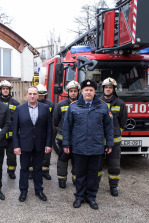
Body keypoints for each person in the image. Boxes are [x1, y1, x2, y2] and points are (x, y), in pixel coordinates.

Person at [63, 79, 113, 210]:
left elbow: (108, 127)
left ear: (95, 92)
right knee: (79, 174)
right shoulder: (73, 107)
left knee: (93, 174)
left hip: (96, 148)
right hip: (79, 147)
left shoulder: (103, 107)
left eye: (91, 90)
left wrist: (110, 144)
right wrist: (66, 144)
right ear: (82, 91)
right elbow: (67, 128)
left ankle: (91, 197)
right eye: (86, 90)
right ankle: (79, 197)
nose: (88, 92)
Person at [13, 86, 53, 202]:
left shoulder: (45, 108)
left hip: (40, 143)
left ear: (38, 95)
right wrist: (16, 146)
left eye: (34, 94)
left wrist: (48, 144)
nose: (32, 96)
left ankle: (39, 190)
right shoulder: (20, 109)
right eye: (30, 93)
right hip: (25, 144)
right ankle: (23, 191)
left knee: (38, 169)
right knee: (24, 168)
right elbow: (15, 129)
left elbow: (49, 128)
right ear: (27, 95)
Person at [98, 77, 127, 196]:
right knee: (97, 165)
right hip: (99, 141)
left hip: (114, 141)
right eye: (106, 87)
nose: (108, 89)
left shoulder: (120, 103)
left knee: (114, 165)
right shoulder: (98, 102)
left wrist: (116, 132)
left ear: (114, 89)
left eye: (110, 87)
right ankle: (95, 184)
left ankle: (113, 187)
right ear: (103, 89)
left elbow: (123, 121)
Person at [53, 81, 80, 188]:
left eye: (75, 91)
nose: (73, 93)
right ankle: (62, 180)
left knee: (77, 161)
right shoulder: (60, 104)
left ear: (78, 92)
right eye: (71, 91)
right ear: (67, 92)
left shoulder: (82, 105)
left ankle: (75, 179)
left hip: (78, 140)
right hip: (63, 139)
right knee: (62, 160)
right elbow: (55, 121)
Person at [0, 80, 20, 179]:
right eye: (4, 89)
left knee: (11, 155)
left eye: (7, 89)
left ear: (9, 90)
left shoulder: (15, 103)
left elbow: (19, 119)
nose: (5, 90)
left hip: (11, 136)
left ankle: (11, 171)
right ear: (0, 90)